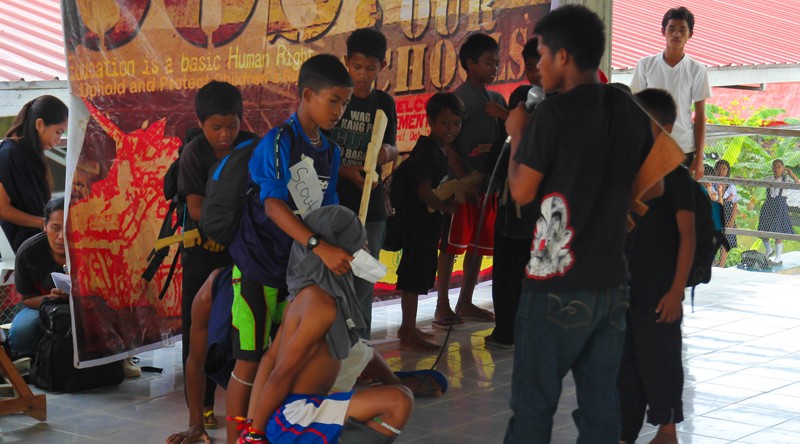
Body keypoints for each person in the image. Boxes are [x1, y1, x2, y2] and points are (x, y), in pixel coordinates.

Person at [503, 6, 654, 442]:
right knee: (600, 404)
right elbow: (656, 184)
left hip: (555, 283)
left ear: (564, 56)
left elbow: (521, 191)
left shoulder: (551, 115)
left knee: (533, 406)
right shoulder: (625, 103)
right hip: (610, 281)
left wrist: (517, 134)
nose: (539, 67)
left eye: (543, 56)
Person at [224, 53, 353, 443]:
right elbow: (273, 204)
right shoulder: (280, 139)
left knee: (278, 360)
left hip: (295, 271)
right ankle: (236, 440)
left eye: (345, 104)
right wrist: (318, 246)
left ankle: (259, 434)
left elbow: (326, 212)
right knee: (248, 363)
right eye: (334, 101)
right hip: (257, 263)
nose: (340, 111)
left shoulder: (330, 151)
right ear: (308, 94)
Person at [239, 206, 413, 444]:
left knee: (400, 394)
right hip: (295, 415)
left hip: (296, 410)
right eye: (359, 244)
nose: (363, 251)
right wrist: (254, 434)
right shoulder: (321, 305)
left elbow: (269, 359)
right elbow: (280, 374)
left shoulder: (305, 296)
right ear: (336, 253)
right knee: (399, 402)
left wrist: (251, 422)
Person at [178, 80, 258, 429]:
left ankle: (252, 403)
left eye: (232, 125)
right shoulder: (194, 154)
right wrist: (232, 215)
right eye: (216, 128)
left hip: (243, 254)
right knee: (198, 333)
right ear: (200, 123)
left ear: (242, 119)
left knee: (244, 331)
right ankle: (202, 408)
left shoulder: (253, 147)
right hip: (202, 254)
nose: (225, 135)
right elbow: (196, 209)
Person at [618, 88, 696, 444]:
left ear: (664, 128)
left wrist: (677, 290)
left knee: (660, 356)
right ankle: (625, 431)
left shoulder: (677, 178)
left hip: (661, 288)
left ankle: (667, 429)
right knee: (627, 362)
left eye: (642, 122)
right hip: (627, 286)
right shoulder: (630, 172)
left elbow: (688, 237)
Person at [436, 32, 507, 328]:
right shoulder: (456, 100)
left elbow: (505, 140)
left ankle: (465, 300)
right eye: (488, 63)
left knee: (478, 245)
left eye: (497, 62)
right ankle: (442, 305)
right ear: (469, 64)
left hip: (488, 184)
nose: (494, 68)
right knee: (452, 246)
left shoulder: (497, 99)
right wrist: (464, 179)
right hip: (462, 187)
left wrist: (503, 116)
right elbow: (447, 144)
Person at [331, 28, 398, 338]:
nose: (362, 74)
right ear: (347, 62)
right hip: (334, 205)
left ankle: (361, 352)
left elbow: (393, 146)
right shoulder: (335, 100)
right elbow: (319, 154)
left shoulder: (384, 103)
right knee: (333, 281)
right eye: (357, 67)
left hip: (371, 208)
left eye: (370, 68)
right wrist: (346, 171)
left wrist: (387, 152)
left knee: (364, 281)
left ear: (381, 67)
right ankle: (334, 352)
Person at [487, 37, 542, 349]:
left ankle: (524, 330)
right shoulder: (525, 97)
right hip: (514, 202)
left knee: (530, 270)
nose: (534, 71)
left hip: (539, 206)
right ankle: (506, 330)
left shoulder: (562, 103)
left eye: (538, 65)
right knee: (508, 269)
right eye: (531, 66)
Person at [396, 93, 461, 351]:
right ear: (431, 122)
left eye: (456, 123)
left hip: (425, 222)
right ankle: (408, 332)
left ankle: (408, 327)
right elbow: (424, 192)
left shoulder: (438, 150)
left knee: (418, 273)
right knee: (413, 275)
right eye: (445, 123)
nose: (451, 129)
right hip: (417, 223)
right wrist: (445, 208)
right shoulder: (428, 151)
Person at [630, 6, 711, 179]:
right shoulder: (645, 65)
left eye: (682, 30)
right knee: (649, 199)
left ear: (690, 34)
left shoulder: (697, 70)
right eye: (671, 29)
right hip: (649, 147)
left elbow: (700, 115)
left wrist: (699, 158)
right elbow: (635, 107)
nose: (676, 34)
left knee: (680, 201)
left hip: (683, 149)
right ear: (663, 31)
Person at [0, 95, 67, 251]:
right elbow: (2, 209)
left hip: (37, 238)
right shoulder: (9, 153)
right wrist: (44, 223)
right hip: (23, 244)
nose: (59, 140)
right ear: (39, 124)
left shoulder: (30, 154)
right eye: (58, 132)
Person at [758, 159, 797, 265]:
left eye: (779, 167)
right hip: (768, 205)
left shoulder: (786, 179)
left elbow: (798, 183)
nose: (776, 169)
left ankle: (778, 257)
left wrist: (791, 174)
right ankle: (769, 249)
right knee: (763, 228)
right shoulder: (768, 179)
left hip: (780, 206)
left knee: (778, 230)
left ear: (783, 168)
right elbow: (757, 182)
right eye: (774, 166)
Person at [711, 159, 738, 267]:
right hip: (716, 212)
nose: (721, 171)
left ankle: (721, 265)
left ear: (727, 171)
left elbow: (735, 204)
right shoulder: (713, 184)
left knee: (725, 239)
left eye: (724, 169)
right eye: (719, 169)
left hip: (727, 214)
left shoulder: (731, 186)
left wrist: (731, 220)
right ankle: (712, 262)